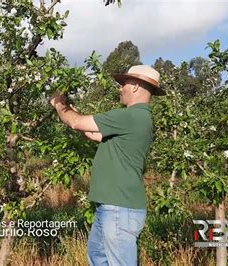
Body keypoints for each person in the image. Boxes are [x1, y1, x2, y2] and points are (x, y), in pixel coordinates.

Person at [50, 65, 165, 265]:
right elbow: (92, 132)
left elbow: (76, 123)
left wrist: (60, 104)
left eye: (124, 84)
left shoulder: (131, 115)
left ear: (136, 87)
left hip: (120, 209)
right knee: (97, 257)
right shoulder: (137, 119)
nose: (120, 88)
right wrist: (73, 114)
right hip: (111, 207)